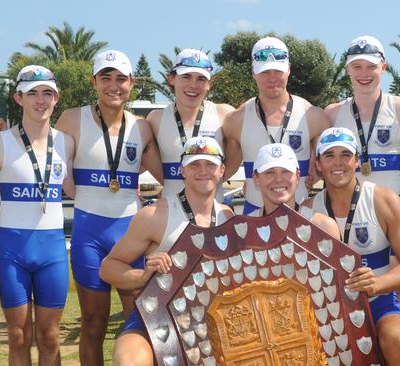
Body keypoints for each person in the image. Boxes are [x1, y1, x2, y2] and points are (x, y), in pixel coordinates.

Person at [0, 50, 163, 366]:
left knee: (143, 322)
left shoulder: (143, 128)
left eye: (121, 78)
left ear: (131, 83)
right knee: (93, 325)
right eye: (105, 77)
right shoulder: (70, 119)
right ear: (94, 81)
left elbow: (173, 173)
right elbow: (36, 143)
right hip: (89, 236)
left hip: (130, 234)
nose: (114, 85)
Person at [99, 137, 233, 366]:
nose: (203, 171)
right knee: (130, 360)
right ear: (182, 170)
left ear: (221, 170)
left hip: (211, 319)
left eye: (210, 165)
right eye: (194, 165)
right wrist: (141, 277)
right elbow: (107, 268)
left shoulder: (228, 218)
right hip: (157, 318)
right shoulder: (155, 215)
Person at [325, 35, 400, 309]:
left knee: (395, 288)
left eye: (371, 67)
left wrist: (396, 170)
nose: (364, 74)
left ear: (383, 68)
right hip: (342, 212)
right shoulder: (332, 114)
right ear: (347, 69)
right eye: (357, 67)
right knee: (342, 287)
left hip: (389, 211)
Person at [0, 65, 75, 365]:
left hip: (52, 251)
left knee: (50, 337)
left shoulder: (66, 142)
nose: (40, 101)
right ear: (19, 98)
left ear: (56, 98)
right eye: (33, 94)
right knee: (18, 336)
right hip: (12, 250)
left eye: (47, 93)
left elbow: (78, 186)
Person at [302, 127, 400, 365]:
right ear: (318, 164)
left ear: (357, 161)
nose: (338, 163)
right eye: (329, 156)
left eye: (345, 155)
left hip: (380, 302)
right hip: (329, 310)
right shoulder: (307, 210)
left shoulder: (384, 200)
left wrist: (376, 284)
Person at [222, 36, 330, 214]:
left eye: (277, 71)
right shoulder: (236, 120)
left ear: (288, 70)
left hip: (301, 214)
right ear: (253, 73)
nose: (272, 78)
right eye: (265, 72)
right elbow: (223, 172)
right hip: (254, 213)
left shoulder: (313, 116)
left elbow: (328, 165)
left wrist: (315, 174)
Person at [146, 49, 235, 199]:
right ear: (171, 79)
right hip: (171, 213)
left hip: (214, 213)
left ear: (209, 84)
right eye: (186, 77)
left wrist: (207, 180)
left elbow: (237, 153)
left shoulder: (224, 114)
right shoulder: (156, 119)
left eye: (201, 79)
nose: (193, 85)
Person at [247, 142, 340, 238]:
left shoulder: (323, 227)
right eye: (269, 173)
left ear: (298, 176)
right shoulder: (245, 229)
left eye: (286, 171)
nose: (278, 179)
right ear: (256, 179)